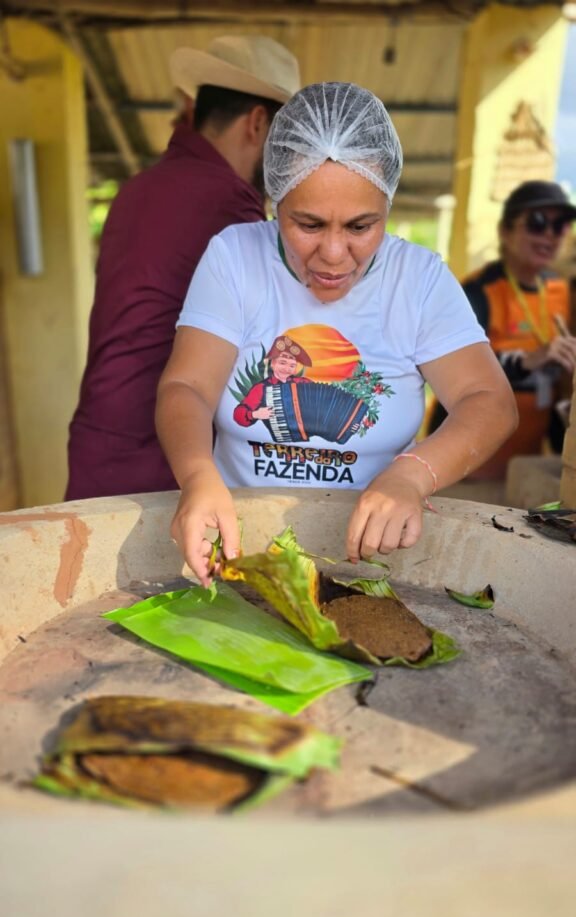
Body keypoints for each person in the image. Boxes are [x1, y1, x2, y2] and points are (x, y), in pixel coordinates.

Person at [155, 81, 518, 586]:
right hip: (241, 551)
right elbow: (187, 387)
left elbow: (490, 400)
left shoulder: (418, 278)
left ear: (388, 208)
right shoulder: (234, 257)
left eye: (360, 226)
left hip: (371, 556)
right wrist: (197, 476)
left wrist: (413, 476)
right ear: (274, 203)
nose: (332, 253)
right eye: (308, 224)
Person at [65, 35, 300, 499]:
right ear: (257, 123)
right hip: (165, 454)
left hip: (100, 439)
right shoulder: (230, 207)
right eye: (286, 139)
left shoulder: (138, 189)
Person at [429, 180, 576, 478]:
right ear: (505, 231)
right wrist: (528, 359)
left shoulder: (561, 290)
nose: (549, 235)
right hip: (465, 463)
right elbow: (452, 370)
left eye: (560, 225)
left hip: (526, 461)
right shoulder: (477, 289)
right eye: (537, 223)